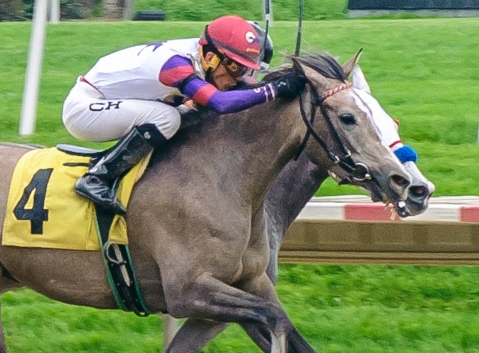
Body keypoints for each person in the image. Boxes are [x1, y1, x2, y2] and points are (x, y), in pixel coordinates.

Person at [62, 15, 306, 215]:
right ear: (210, 57)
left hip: (115, 102)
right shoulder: (176, 63)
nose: (238, 76)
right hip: (85, 108)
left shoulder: (201, 56)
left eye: (244, 68)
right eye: (234, 67)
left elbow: (239, 90)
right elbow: (219, 102)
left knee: (190, 113)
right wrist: (274, 89)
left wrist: (269, 84)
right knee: (167, 118)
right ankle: (97, 178)